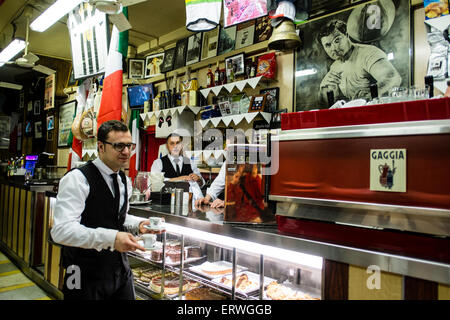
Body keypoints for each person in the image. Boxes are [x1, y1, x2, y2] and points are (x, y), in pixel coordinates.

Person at [51, 120, 150, 300]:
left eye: (129, 145)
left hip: (119, 269)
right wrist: (111, 238)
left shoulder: (123, 179)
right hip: (82, 272)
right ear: (101, 147)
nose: (126, 152)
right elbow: (61, 231)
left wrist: (139, 224)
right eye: (119, 146)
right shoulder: (78, 179)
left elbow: (116, 217)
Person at [317, 19, 401, 104]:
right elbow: (328, 103)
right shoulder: (335, 66)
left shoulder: (368, 53)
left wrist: (370, 96)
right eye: (328, 45)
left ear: (347, 35)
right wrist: (324, 89)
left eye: (337, 40)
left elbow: (392, 78)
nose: (334, 48)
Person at [150, 133, 204, 199]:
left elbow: (201, 184)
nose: (175, 146)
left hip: (187, 202)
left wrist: (199, 179)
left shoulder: (189, 162)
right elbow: (155, 183)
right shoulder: (158, 163)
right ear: (167, 146)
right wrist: (178, 179)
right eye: (172, 143)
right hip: (166, 202)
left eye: (178, 143)